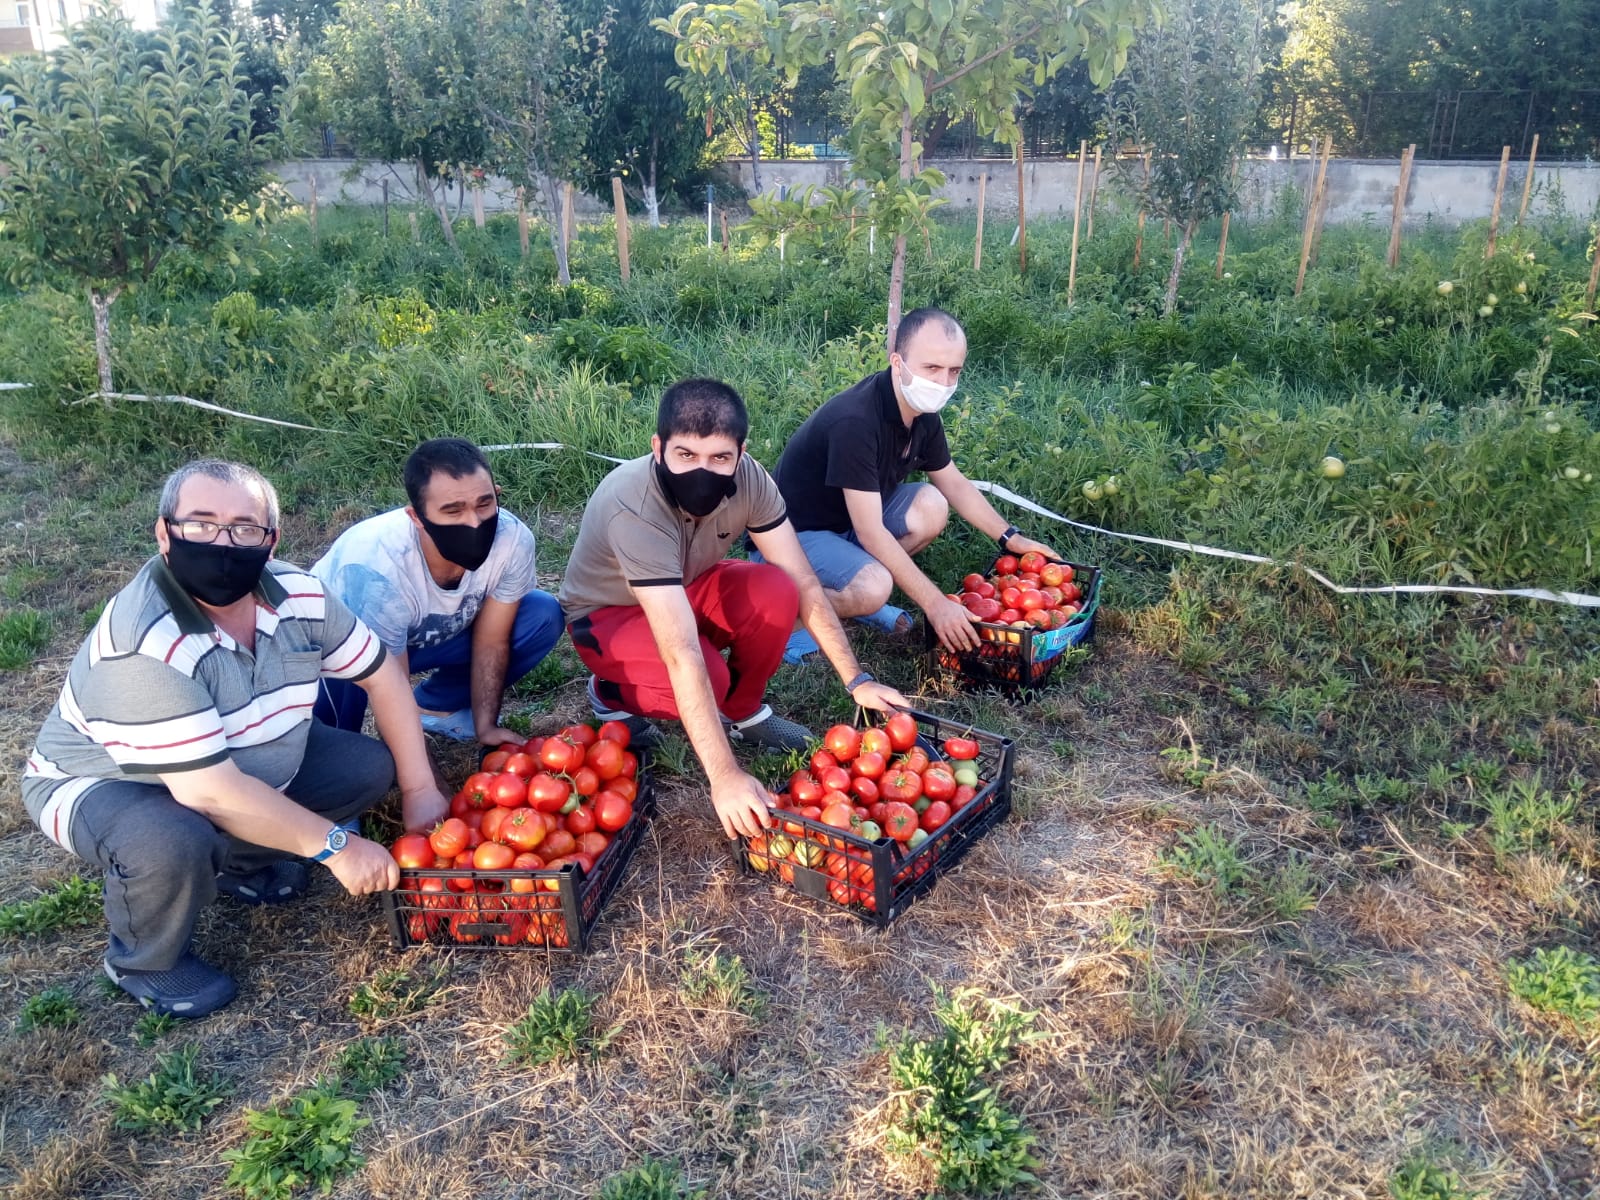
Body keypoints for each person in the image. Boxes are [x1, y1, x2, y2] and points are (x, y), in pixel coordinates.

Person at [21, 460, 450, 1018]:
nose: (222, 543)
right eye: (200, 524)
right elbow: (210, 792)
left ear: (271, 540)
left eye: (244, 528)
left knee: (363, 769)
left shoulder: (300, 596)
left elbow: (382, 676)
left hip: (233, 759)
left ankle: (237, 866)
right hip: (108, 781)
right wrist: (336, 847)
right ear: (164, 533)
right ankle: (144, 960)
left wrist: (419, 788)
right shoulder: (143, 642)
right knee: (170, 838)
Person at [558, 378, 910, 839]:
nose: (702, 471)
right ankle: (611, 692)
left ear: (741, 454)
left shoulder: (751, 480)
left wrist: (856, 679)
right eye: (686, 455)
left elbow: (804, 580)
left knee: (776, 589)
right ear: (658, 448)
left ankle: (742, 713)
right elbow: (681, 651)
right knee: (708, 674)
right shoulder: (635, 505)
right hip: (606, 614)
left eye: (719, 458)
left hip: (684, 585)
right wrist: (724, 777)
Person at [770, 307, 1060, 661]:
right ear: (898, 362)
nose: (943, 382)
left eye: (954, 371)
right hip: (792, 537)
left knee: (931, 505)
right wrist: (936, 604)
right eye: (932, 368)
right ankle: (786, 618)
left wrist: (1010, 537)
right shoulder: (855, 421)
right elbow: (871, 533)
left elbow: (954, 483)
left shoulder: (922, 414)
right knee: (874, 586)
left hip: (847, 524)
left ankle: (853, 594)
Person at [312, 438, 564, 746]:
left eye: (484, 504)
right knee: (341, 737)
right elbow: (388, 684)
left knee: (540, 615)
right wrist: (421, 773)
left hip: (421, 638)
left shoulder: (512, 540)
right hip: (341, 644)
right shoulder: (376, 568)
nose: (474, 522)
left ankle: (434, 706)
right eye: (453, 511)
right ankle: (337, 745)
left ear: (497, 495)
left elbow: (492, 639)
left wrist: (486, 727)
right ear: (416, 517)